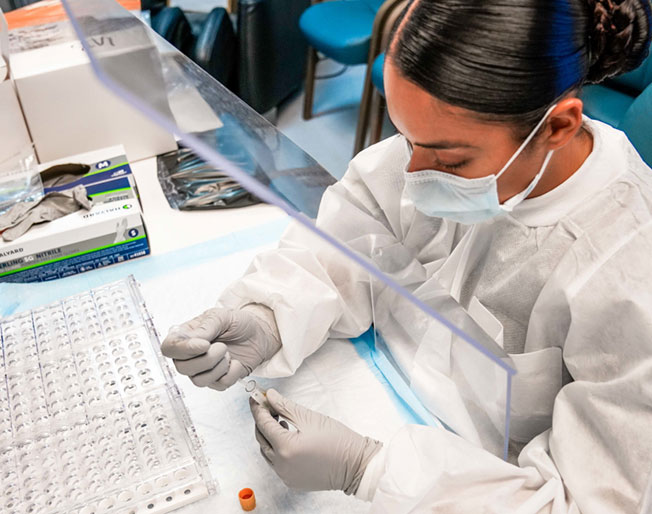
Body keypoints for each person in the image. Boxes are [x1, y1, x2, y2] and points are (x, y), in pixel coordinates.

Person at [161, 0, 652, 511]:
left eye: (449, 158)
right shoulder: (439, 146)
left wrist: (370, 469)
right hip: (380, 387)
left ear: (557, 127)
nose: (414, 173)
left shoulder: (629, 273)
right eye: (404, 136)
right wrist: (267, 316)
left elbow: (591, 502)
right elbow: (346, 240)